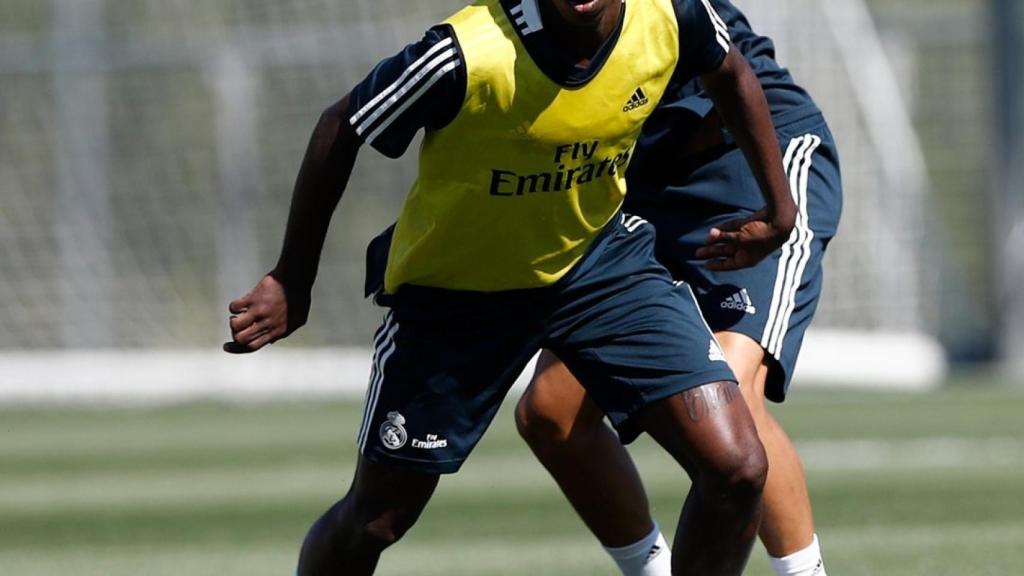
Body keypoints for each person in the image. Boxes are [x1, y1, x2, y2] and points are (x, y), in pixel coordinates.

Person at [224, 0, 798, 574]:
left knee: (738, 469)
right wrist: (290, 278)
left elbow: (732, 71)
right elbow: (342, 125)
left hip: (598, 267)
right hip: (459, 296)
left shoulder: (671, 15)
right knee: (378, 518)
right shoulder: (465, 52)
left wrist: (779, 211)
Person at [514, 1, 842, 575]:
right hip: (635, 183)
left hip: (747, 156)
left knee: (732, 400)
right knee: (550, 413)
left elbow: (729, 77)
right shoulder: (502, 23)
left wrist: (779, 213)